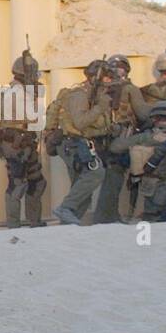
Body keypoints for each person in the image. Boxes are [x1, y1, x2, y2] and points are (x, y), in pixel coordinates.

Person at [52, 60, 116, 225]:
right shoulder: (79, 95)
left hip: (82, 143)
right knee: (95, 172)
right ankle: (65, 208)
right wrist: (100, 108)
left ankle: (68, 228)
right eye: (107, 77)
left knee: (83, 195)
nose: (109, 81)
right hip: (73, 143)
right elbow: (80, 122)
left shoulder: (97, 96)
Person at [0, 52, 47, 228]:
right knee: (17, 183)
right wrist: (36, 100)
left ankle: (33, 220)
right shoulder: (18, 92)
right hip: (16, 144)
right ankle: (14, 222)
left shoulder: (13, 91)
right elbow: (33, 117)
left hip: (23, 142)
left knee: (37, 181)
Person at [109, 100, 166, 221]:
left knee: (146, 224)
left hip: (144, 191)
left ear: (153, 119)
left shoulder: (143, 137)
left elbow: (115, 147)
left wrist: (123, 132)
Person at [93, 54, 152, 223]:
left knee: (108, 175)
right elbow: (142, 113)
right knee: (115, 175)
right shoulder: (129, 88)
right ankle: (106, 217)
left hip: (100, 138)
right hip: (121, 137)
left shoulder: (99, 88)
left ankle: (107, 215)